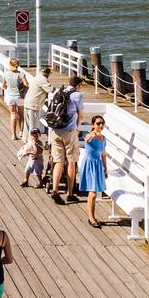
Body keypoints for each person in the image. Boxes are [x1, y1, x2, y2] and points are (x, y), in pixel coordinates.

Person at [50, 76, 86, 204]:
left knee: (58, 162)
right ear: (79, 85)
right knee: (71, 161)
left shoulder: (58, 91)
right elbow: (81, 115)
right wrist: (77, 128)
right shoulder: (77, 95)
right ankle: (70, 193)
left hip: (55, 131)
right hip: (69, 132)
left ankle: (55, 190)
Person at [78, 116, 110, 226]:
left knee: (95, 192)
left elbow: (103, 154)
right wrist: (94, 134)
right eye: (98, 123)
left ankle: (93, 217)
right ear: (93, 125)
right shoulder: (89, 135)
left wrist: (105, 168)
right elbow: (88, 139)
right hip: (89, 164)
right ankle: (91, 218)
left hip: (98, 164)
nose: (101, 125)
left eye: (102, 123)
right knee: (92, 192)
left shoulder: (103, 138)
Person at [2, 59, 28, 141]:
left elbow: (4, 85)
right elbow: (26, 84)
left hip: (10, 97)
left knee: (13, 115)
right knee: (21, 114)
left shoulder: (6, 73)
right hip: (19, 97)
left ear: (10, 65)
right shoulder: (21, 74)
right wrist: (22, 89)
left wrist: (8, 88)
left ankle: (13, 135)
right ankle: (21, 131)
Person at [22, 66, 51, 135]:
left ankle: (25, 141)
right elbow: (50, 90)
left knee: (27, 125)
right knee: (33, 126)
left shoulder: (36, 77)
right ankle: (32, 142)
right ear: (47, 74)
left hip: (27, 103)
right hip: (34, 105)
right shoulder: (43, 79)